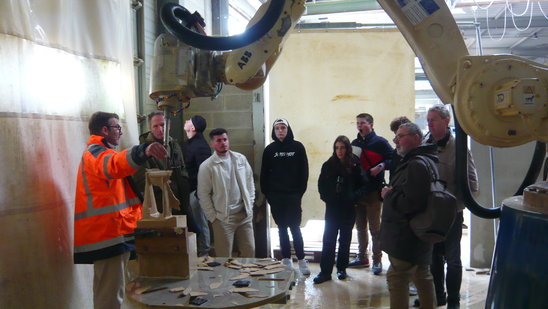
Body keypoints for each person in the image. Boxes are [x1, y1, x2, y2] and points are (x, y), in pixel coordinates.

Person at [74, 111, 167, 309]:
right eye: (117, 128)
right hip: (106, 234)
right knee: (110, 296)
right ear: (105, 130)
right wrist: (143, 150)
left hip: (113, 233)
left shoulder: (102, 152)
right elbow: (114, 165)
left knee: (110, 292)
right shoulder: (95, 153)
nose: (120, 132)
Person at [424, 105, 478, 309]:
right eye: (428, 119)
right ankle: (439, 295)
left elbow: (473, 182)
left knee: (453, 259)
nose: (429, 123)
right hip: (430, 214)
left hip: (452, 213)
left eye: (434, 119)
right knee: (434, 257)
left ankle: (454, 300)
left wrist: (458, 204)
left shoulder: (459, 148)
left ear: (446, 121)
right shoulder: (424, 144)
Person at [380, 122, 437, 309]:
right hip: (418, 234)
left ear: (416, 138)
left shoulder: (416, 164)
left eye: (400, 136)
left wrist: (389, 195)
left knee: (396, 278)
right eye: (396, 137)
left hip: (406, 235)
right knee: (422, 275)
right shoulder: (426, 160)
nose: (396, 141)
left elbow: (412, 203)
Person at [133, 111, 199, 232]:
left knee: (193, 233)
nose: (160, 129)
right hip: (161, 205)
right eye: (156, 126)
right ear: (150, 128)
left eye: (163, 125)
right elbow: (141, 181)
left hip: (181, 201)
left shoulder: (174, 144)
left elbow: (182, 169)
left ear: (169, 125)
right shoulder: (144, 151)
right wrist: (160, 182)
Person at [260, 118, 310, 275]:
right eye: (277, 128)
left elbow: (304, 172)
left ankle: (301, 260)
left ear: (288, 130)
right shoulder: (269, 150)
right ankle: (286, 259)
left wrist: (298, 193)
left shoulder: (298, 147)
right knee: (281, 228)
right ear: (273, 131)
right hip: (276, 197)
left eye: (283, 128)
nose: (280, 131)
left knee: (295, 228)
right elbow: (264, 175)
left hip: (293, 196)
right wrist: (269, 195)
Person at [313, 135, 365, 284]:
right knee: (328, 240)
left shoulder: (354, 165)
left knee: (345, 240)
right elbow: (321, 184)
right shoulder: (328, 165)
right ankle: (325, 272)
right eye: (337, 148)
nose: (339, 151)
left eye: (342, 147)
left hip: (348, 208)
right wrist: (326, 198)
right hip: (332, 209)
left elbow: (363, 184)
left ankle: (342, 268)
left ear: (347, 149)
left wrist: (354, 197)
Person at [197, 128, 255, 257]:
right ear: (212, 143)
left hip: (244, 215)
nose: (223, 143)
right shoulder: (207, 166)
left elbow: (250, 183)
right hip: (223, 218)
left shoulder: (240, 159)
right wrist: (213, 217)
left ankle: (247, 277)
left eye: (225, 139)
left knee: (249, 252)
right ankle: (224, 278)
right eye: (219, 140)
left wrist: (249, 205)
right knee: (224, 257)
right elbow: (203, 194)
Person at [349, 113, 393, 275]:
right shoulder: (354, 143)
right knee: (360, 227)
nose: (360, 126)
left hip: (374, 191)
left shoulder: (380, 142)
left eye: (363, 123)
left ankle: (377, 260)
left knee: (375, 229)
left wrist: (380, 166)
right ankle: (362, 258)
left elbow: (393, 159)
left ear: (371, 125)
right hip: (358, 192)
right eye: (357, 123)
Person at [183, 115, 212, 257]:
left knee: (201, 221)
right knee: (196, 221)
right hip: (190, 190)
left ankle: (204, 252)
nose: (186, 121)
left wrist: (199, 193)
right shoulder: (190, 143)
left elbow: (204, 172)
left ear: (193, 127)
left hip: (196, 192)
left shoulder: (200, 146)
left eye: (189, 120)